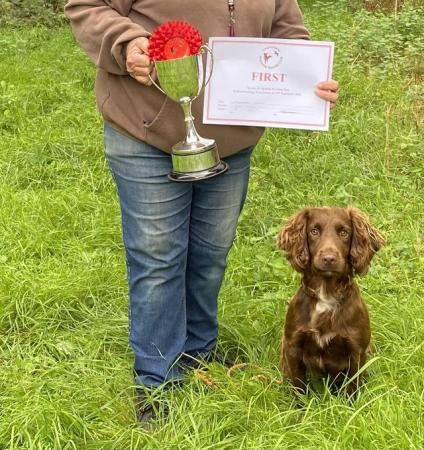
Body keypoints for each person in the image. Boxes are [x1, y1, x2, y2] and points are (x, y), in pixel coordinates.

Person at [64, 0, 339, 423]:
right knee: (158, 260)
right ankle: (158, 381)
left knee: (210, 256)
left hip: (232, 141)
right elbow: (87, 5)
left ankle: (197, 355)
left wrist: (306, 79)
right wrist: (128, 42)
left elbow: (287, 31)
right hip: (145, 130)